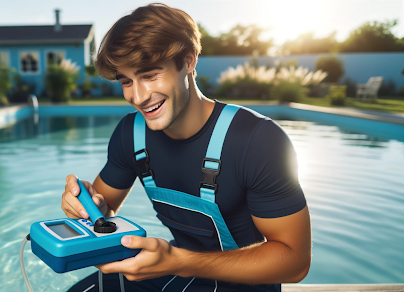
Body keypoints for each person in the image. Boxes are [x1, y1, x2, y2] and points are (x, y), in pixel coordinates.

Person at [62, 3, 311, 292]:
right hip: (175, 269)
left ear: (189, 61)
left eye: (150, 75)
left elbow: (295, 261)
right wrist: (88, 207)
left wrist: (179, 261)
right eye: (126, 81)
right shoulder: (130, 134)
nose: (139, 97)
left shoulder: (257, 140)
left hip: (244, 282)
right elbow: (103, 213)